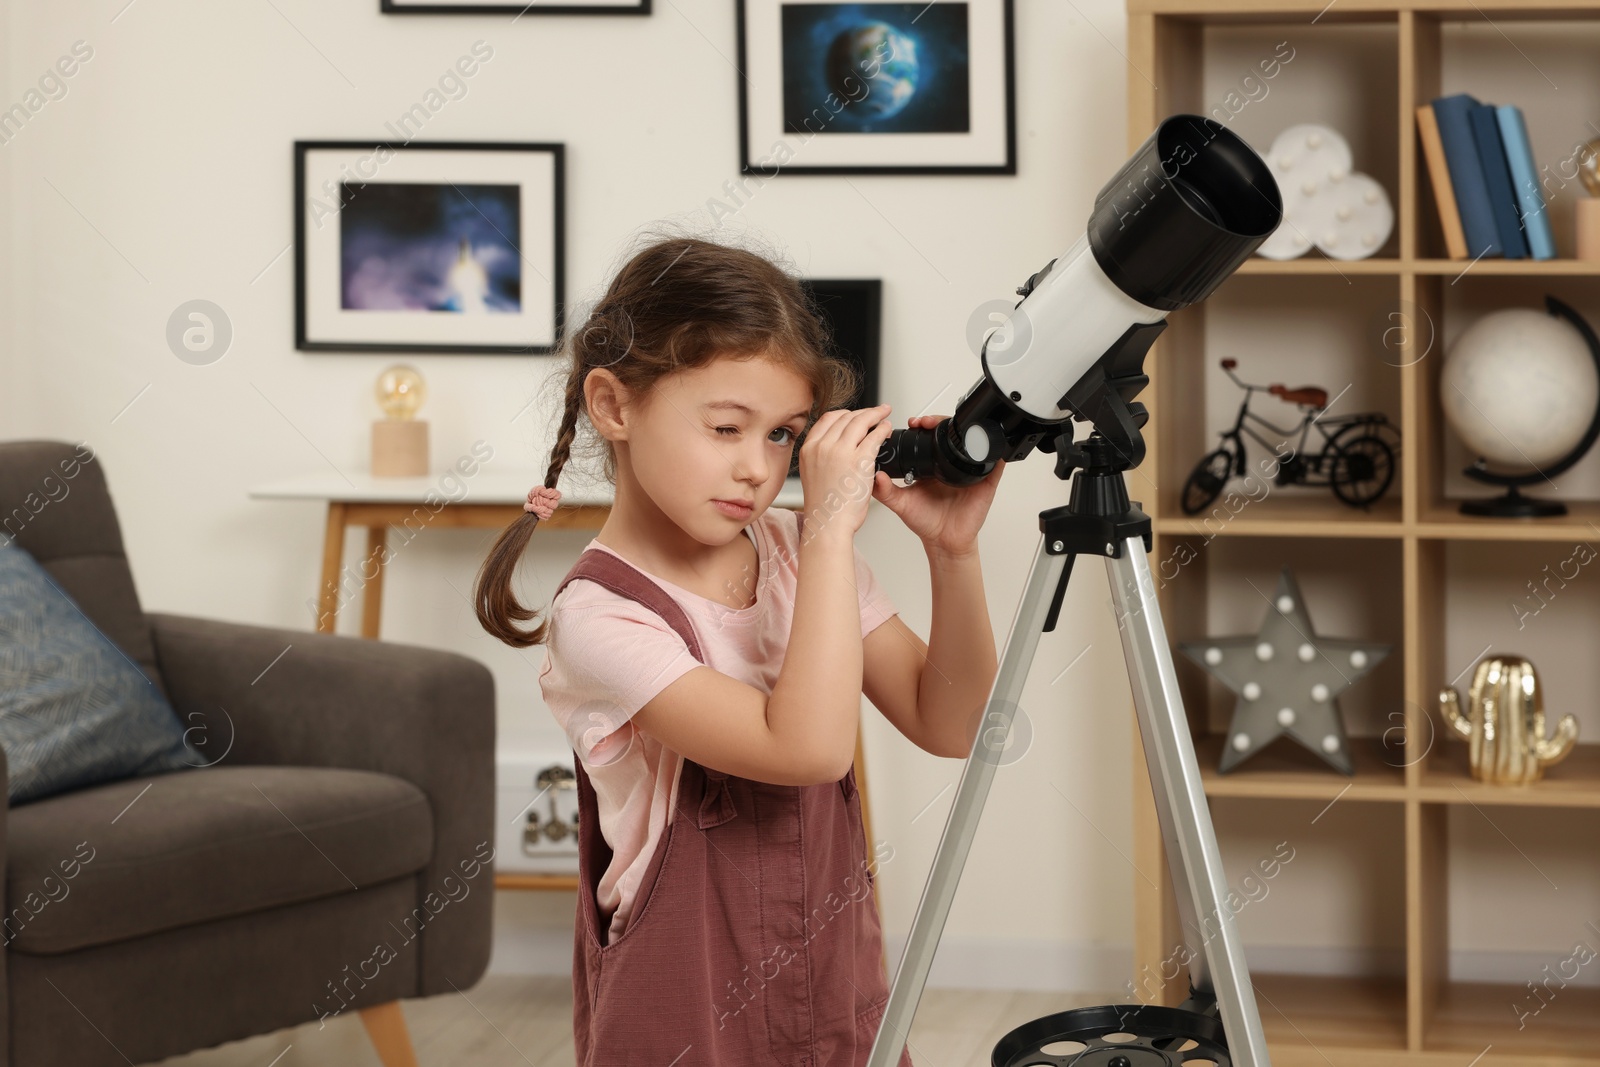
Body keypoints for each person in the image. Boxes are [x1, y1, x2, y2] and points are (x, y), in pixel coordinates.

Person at [474, 231, 1004, 1066]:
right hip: (687, 999)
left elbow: (954, 724)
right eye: (726, 426)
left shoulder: (796, 554)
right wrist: (830, 533)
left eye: (783, 435)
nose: (759, 469)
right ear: (614, 406)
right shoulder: (601, 616)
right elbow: (807, 748)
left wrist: (952, 553)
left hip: (826, 965)